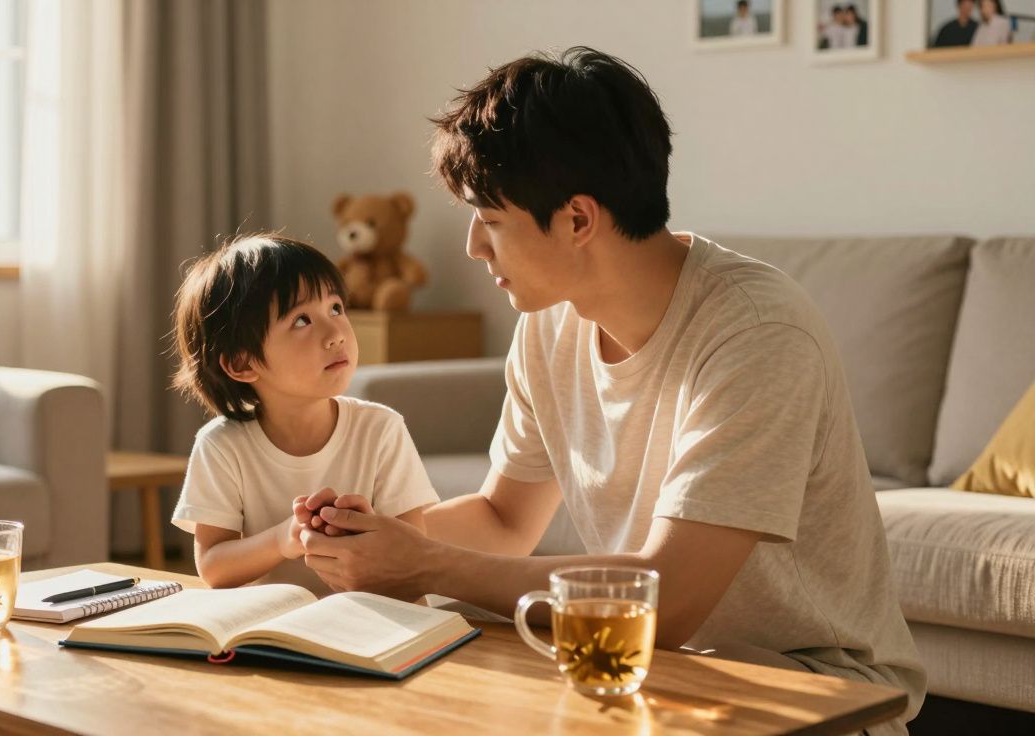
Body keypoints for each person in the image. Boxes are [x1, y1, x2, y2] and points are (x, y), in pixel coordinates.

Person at [295, 47, 925, 735]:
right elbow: (507, 521)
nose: (475, 247)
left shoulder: (756, 332)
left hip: (809, 693)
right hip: (637, 672)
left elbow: (669, 599)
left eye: (492, 220)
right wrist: (366, 539)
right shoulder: (550, 322)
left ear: (577, 220)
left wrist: (427, 564)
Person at [169, 235, 439, 595]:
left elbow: (414, 556)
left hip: (374, 622)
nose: (335, 334)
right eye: (301, 321)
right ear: (241, 363)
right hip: (277, 630)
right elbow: (214, 567)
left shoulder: (381, 429)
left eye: (336, 309)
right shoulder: (221, 446)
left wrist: (366, 529)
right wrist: (283, 538)